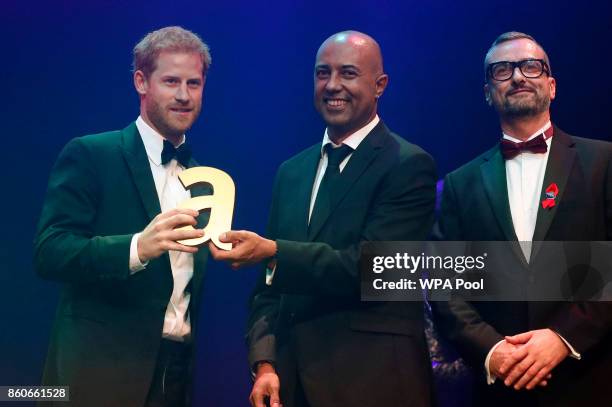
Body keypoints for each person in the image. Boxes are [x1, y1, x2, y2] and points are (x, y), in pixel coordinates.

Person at [210, 31, 437, 407]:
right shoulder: (292, 171)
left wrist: (274, 250)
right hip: (293, 385)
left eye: (348, 73)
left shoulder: (408, 165)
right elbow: (269, 287)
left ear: (380, 85)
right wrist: (264, 363)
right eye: (322, 73)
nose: (332, 85)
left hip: (375, 384)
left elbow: (374, 270)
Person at [34, 26, 212, 407]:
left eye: (193, 83)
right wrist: (136, 248)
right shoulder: (92, 154)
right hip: (98, 376)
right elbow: (50, 252)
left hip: (176, 375)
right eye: (171, 81)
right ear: (141, 82)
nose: (184, 95)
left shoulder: (203, 179)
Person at [433, 31, 612, 406]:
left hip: (591, 377)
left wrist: (563, 338)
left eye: (530, 66)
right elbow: (444, 283)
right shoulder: (459, 183)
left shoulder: (604, 162)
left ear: (552, 85)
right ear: (487, 92)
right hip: (500, 387)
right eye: (502, 70)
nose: (517, 76)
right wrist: (492, 349)